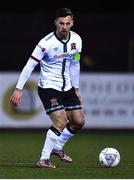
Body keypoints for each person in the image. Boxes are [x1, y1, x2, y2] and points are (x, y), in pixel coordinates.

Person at [10, 8, 85, 169]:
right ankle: (43, 159)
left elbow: (75, 63)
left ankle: (57, 147)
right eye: (61, 23)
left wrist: (76, 89)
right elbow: (30, 65)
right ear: (55, 23)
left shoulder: (77, 40)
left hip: (68, 87)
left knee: (78, 121)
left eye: (67, 23)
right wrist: (18, 88)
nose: (64, 27)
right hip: (49, 86)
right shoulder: (46, 43)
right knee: (61, 120)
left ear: (72, 23)